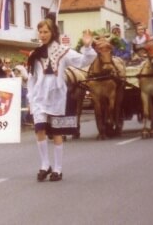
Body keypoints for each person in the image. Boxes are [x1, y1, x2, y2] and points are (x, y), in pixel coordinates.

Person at [27, 16, 96, 183]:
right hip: (39, 97)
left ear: (53, 32)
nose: (43, 35)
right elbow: (32, 78)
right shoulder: (35, 54)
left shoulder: (63, 51)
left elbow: (83, 61)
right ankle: (45, 165)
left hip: (56, 97)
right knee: (39, 129)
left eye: (46, 31)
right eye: (40, 32)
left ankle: (58, 168)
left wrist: (87, 46)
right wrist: (30, 99)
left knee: (57, 132)